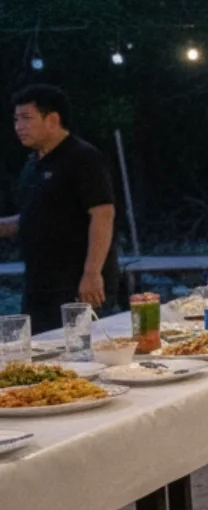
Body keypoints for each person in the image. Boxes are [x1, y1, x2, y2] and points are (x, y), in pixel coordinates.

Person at [0, 85, 119, 331]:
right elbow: (36, 216)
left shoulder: (83, 158)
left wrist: (92, 272)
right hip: (38, 284)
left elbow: (102, 214)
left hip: (76, 284)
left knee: (78, 354)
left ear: (53, 119)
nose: (18, 126)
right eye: (15, 119)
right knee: (39, 355)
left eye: (27, 118)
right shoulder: (32, 164)